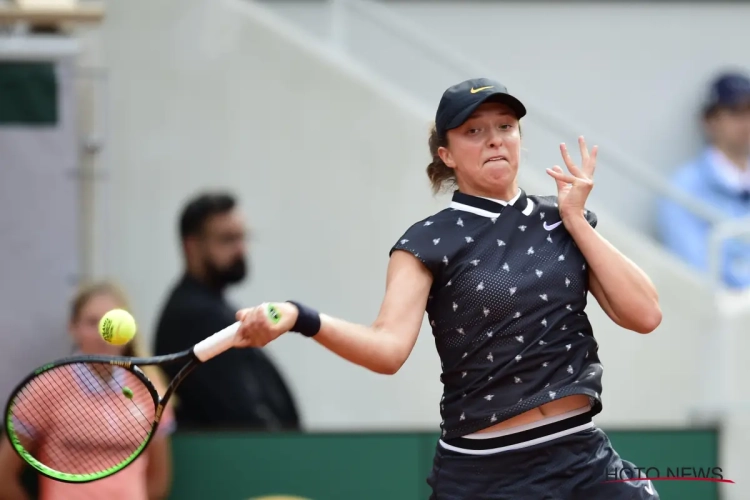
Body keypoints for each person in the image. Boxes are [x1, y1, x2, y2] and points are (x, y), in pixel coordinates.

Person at [231, 78, 663, 499]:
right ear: (447, 154)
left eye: (505, 126)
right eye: (474, 131)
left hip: (581, 457)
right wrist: (301, 317)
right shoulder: (425, 242)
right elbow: (387, 349)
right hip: (487, 474)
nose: (494, 140)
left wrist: (575, 220)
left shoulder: (563, 220)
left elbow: (645, 315)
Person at [0, 281, 174, 500]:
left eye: (112, 322)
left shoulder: (150, 391)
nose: (103, 333)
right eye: (92, 323)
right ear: (73, 328)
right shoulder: (44, 390)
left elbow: (158, 482)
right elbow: (3, 479)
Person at [153, 192, 300, 430]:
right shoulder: (195, 316)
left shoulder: (211, 306)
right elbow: (240, 412)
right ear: (192, 246)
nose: (241, 249)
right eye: (227, 239)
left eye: (242, 237)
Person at [658, 70, 750, 289]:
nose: (746, 121)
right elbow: (699, 274)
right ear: (709, 120)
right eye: (735, 111)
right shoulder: (682, 190)